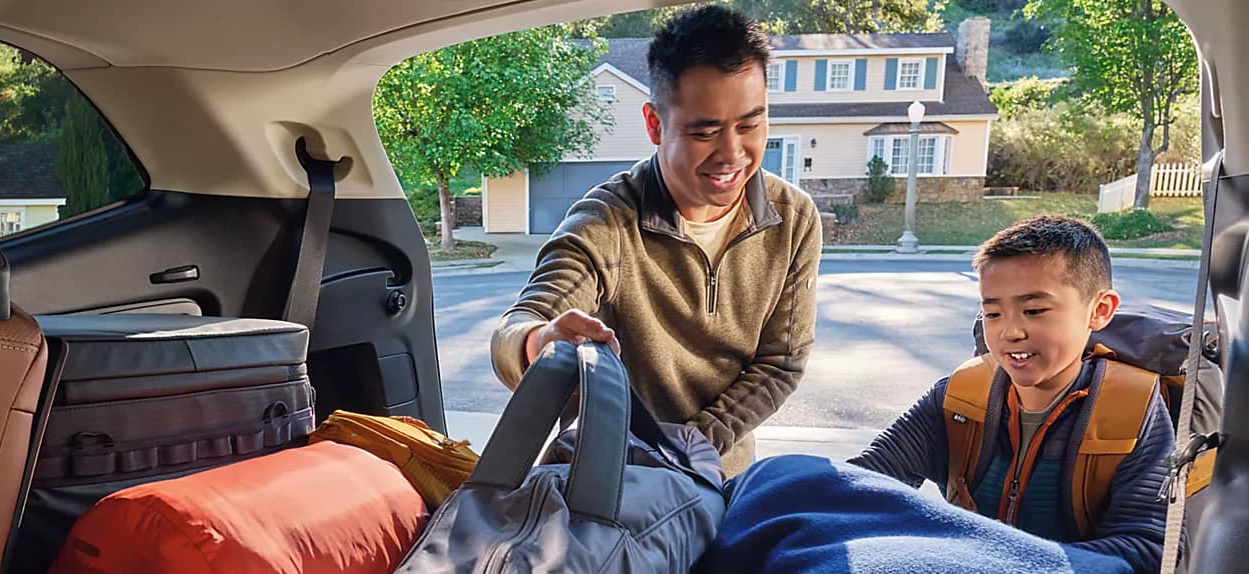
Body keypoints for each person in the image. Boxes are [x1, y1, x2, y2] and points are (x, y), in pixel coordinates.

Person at [488, 5, 822, 476]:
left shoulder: (794, 220)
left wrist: (688, 449)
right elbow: (518, 328)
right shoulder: (607, 221)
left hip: (719, 476)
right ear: (654, 124)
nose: (732, 153)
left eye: (750, 125)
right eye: (705, 131)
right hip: (606, 480)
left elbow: (780, 364)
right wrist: (541, 341)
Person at [849, 215, 1174, 572]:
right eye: (992, 313)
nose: (1010, 332)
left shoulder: (1133, 411)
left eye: (1034, 311)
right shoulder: (959, 397)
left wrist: (993, 564)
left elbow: (1146, 548)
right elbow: (863, 484)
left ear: (1099, 310)